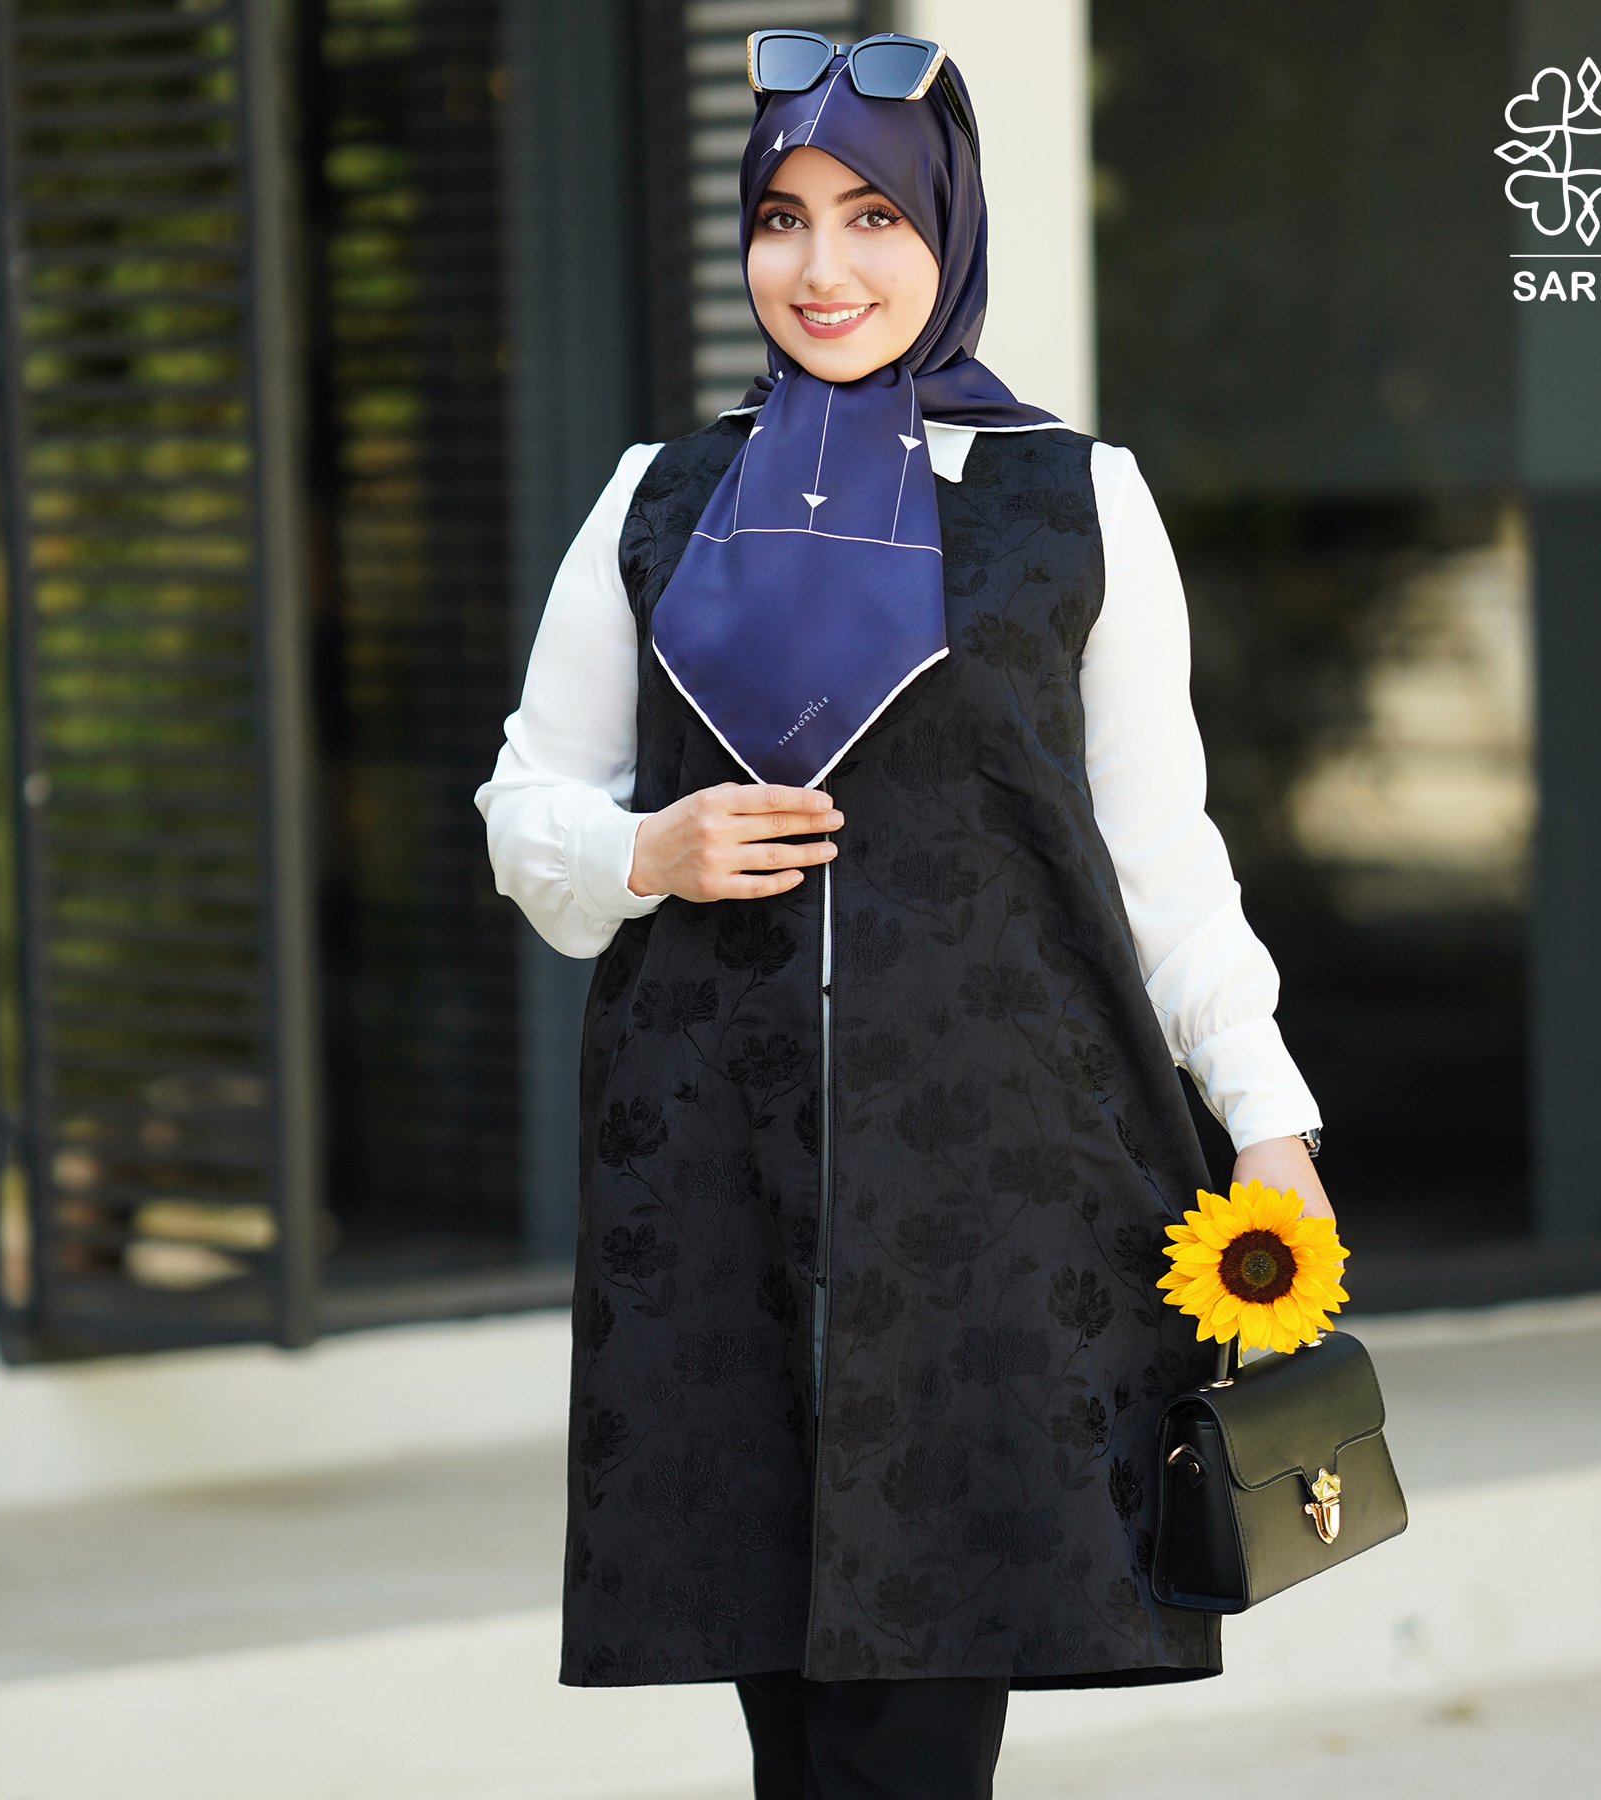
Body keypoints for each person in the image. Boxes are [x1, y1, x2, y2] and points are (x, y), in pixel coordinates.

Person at [476, 32, 1329, 1800]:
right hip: (715, 1184)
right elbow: (525, 807)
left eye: (875, 217)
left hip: (995, 1195)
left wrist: (1267, 1116)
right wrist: (648, 851)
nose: (822, 268)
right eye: (781, 219)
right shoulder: (655, 499)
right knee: (792, 1729)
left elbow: (1158, 849)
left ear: (951, 228)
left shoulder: (1074, 499)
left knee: (913, 1735)